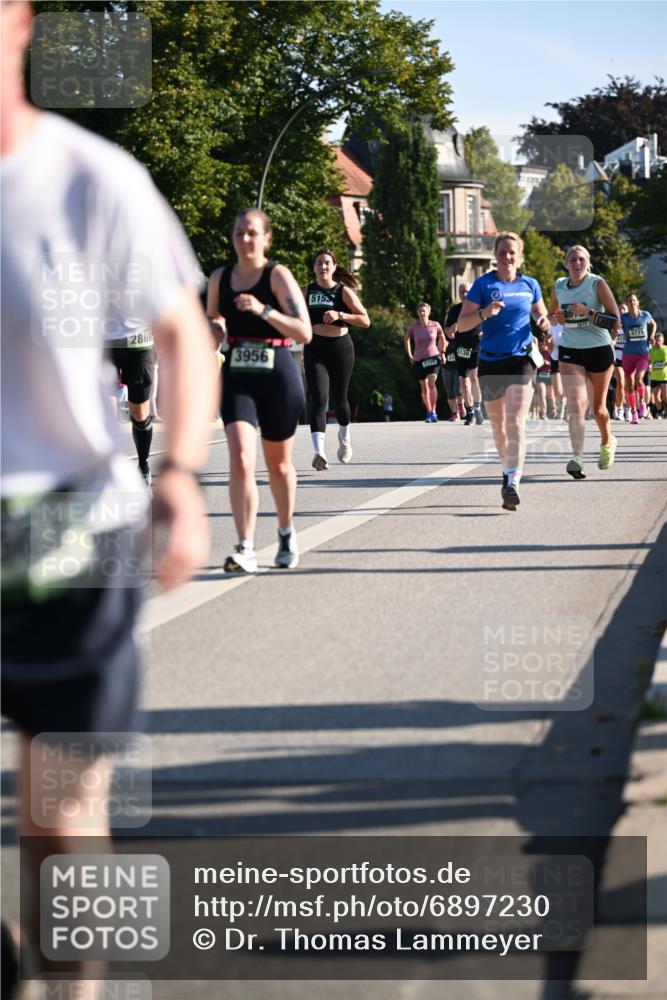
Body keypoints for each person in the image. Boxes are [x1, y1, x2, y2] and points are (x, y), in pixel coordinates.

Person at [1, 2, 215, 995]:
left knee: (60, 802)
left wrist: (175, 475)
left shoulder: (89, 180)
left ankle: (70, 983)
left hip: (69, 523)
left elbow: (181, 334)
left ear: (21, 25)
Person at [207, 208, 312, 572]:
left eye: (252, 233)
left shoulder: (277, 276)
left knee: (279, 465)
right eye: (239, 233)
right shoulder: (220, 278)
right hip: (238, 373)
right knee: (239, 457)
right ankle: (245, 546)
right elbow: (214, 320)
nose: (245, 240)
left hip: (278, 372)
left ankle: (285, 530)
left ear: (266, 238)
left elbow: (304, 332)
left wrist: (263, 310)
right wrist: (213, 332)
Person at [457, 232, 551, 510]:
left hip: (521, 358)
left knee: (515, 421)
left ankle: (513, 480)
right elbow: (463, 324)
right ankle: (506, 469)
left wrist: (543, 321)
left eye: (512, 253)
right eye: (502, 253)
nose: (507, 257)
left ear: (519, 256)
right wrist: (484, 313)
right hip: (490, 360)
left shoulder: (530, 284)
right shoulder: (483, 285)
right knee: (497, 426)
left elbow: (540, 313)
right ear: (495, 256)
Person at [549, 245, 621, 478]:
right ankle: (577, 457)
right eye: (572, 259)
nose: (577, 263)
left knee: (598, 408)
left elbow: (615, 322)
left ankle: (608, 441)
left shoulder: (596, 283)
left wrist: (588, 312)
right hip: (571, 349)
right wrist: (557, 318)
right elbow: (552, 317)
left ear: (588, 262)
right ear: (566, 263)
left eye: (581, 259)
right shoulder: (559, 286)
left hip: (599, 349)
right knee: (576, 404)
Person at [302, 249, 369, 469]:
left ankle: (345, 437)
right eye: (319, 263)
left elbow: (365, 320)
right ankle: (319, 452)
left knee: (340, 400)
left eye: (326, 263)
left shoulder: (344, 292)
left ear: (334, 266)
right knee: (319, 399)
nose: (323, 267)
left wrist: (339, 315)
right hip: (314, 348)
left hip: (341, 348)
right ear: (314, 267)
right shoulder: (306, 291)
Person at [105, 316, 157, 485]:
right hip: (104, 342)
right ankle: (108, 469)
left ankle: (143, 463)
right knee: (107, 410)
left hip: (138, 341)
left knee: (139, 413)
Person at [445, 282, 484, 425]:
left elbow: (490, 324)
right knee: (464, 383)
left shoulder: (479, 308)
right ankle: (470, 413)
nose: (465, 294)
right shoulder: (454, 310)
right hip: (460, 349)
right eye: (462, 292)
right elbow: (448, 332)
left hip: (476, 347)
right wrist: (451, 330)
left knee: (474, 377)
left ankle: (478, 407)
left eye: (467, 291)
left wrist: (484, 333)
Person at [404, 302, 445, 422]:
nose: (422, 313)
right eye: (420, 311)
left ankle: (433, 411)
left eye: (424, 311)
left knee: (432, 382)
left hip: (433, 357)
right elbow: (406, 339)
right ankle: (429, 411)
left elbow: (442, 336)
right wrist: (410, 355)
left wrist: (442, 352)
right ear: (417, 313)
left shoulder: (435, 325)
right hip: (419, 359)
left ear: (428, 312)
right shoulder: (413, 327)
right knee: (424, 387)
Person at [620, 292, 656, 423]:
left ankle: (642, 403)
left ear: (638, 302)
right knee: (629, 386)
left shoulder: (645, 315)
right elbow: (616, 328)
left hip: (643, 353)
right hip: (628, 354)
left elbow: (654, 323)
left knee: (639, 379)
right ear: (627, 304)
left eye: (634, 300)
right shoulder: (623, 317)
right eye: (629, 301)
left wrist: (651, 335)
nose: (632, 303)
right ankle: (634, 412)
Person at [441, 326, 463, 421]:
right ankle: (455, 414)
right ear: (445, 330)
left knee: (457, 390)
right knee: (450, 392)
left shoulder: (460, 338)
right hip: (446, 368)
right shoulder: (442, 339)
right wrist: (442, 350)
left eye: (452, 327)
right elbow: (438, 352)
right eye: (447, 328)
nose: (450, 330)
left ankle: (461, 406)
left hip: (458, 368)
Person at [649, 331, 667, 417]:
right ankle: (661, 410)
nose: (658, 342)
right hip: (654, 376)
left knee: (665, 396)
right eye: (656, 341)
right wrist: (648, 365)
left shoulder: (666, 349)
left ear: (663, 340)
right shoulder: (651, 350)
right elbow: (647, 360)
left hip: (664, 376)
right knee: (656, 397)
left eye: (659, 340)